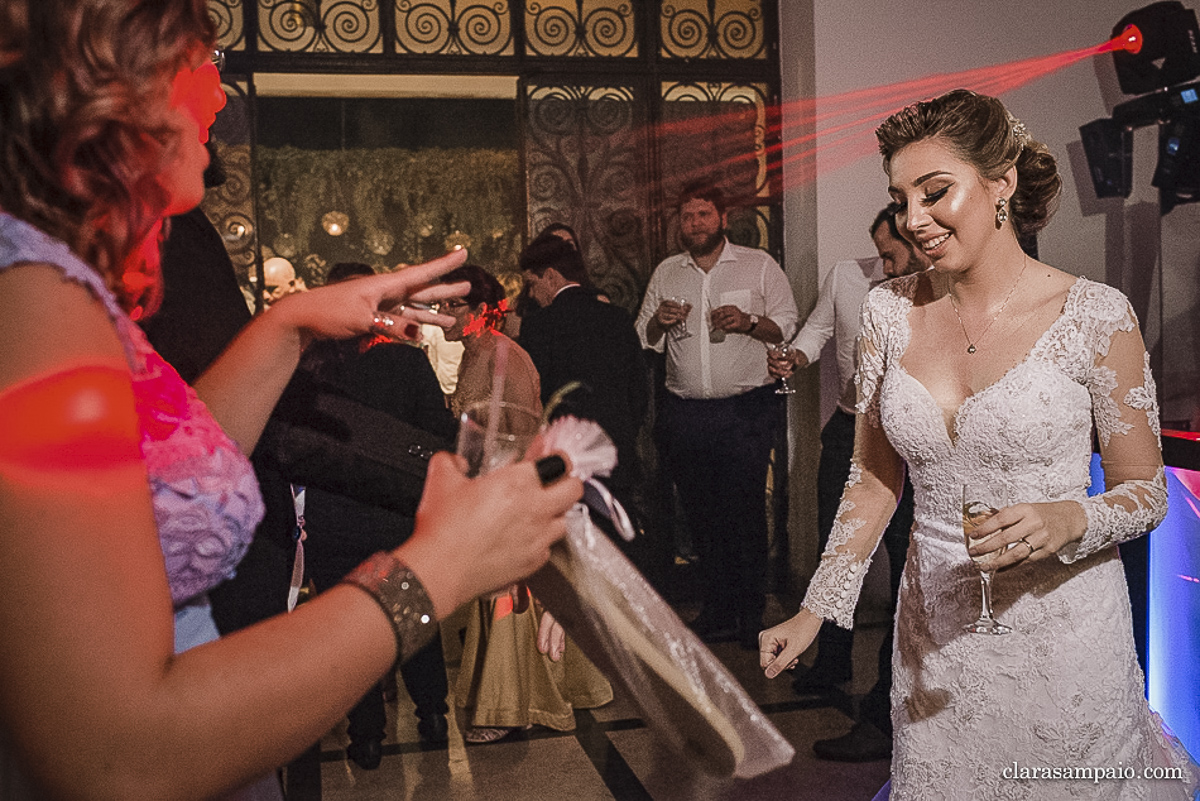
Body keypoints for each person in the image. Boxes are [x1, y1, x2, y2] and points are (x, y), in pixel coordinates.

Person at [0, 4, 581, 799]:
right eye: (196, 67)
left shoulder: (55, 283)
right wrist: (436, 569)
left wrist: (288, 325)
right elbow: (118, 753)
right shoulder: (31, 306)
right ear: (110, 94)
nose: (217, 98)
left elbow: (162, 471)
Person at [760, 89, 1200, 799]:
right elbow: (874, 479)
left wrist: (1071, 517)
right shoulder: (886, 312)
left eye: (936, 192)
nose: (914, 219)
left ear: (1002, 183)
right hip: (934, 639)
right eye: (901, 198)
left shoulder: (1092, 314)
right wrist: (818, 607)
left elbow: (1145, 491)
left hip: (1065, 637)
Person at [767, 209, 927, 762]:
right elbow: (816, 332)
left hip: (910, 442)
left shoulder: (932, 295)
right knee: (837, 546)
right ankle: (831, 657)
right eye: (878, 253)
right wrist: (794, 355)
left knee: (907, 561)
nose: (881, 265)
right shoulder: (848, 277)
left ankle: (885, 708)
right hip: (849, 426)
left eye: (890, 254)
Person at [286, 262, 459, 767]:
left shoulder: (310, 368)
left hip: (333, 516)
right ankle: (432, 714)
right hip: (395, 514)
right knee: (413, 617)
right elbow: (438, 438)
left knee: (349, 628)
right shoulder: (407, 363)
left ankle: (365, 735)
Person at [442, 264, 612, 744]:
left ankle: (511, 705)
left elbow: (524, 429)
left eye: (451, 307)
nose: (441, 317)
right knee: (497, 590)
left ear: (479, 310)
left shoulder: (504, 356)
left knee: (509, 594)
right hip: (483, 487)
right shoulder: (473, 354)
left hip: (510, 485)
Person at [635, 179, 798, 649]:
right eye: (687, 217)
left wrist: (748, 322)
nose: (695, 224)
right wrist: (657, 323)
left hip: (745, 411)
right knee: (700, 515)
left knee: (744, 512)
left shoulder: (758, 265)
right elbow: (644, 336)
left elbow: (785, 325)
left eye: (704, 215)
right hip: (685, 413)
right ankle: (716, 609)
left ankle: (750, 614)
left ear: (723, 219)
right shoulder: (668, 272)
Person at [518, 236, 647, 518]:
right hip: (616, 453)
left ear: (550, 276)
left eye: (532, 283)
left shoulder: (538, 327)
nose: (530, 294)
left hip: (563, 463)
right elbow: (638, 391)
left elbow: (533, 398)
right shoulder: (618, 317)